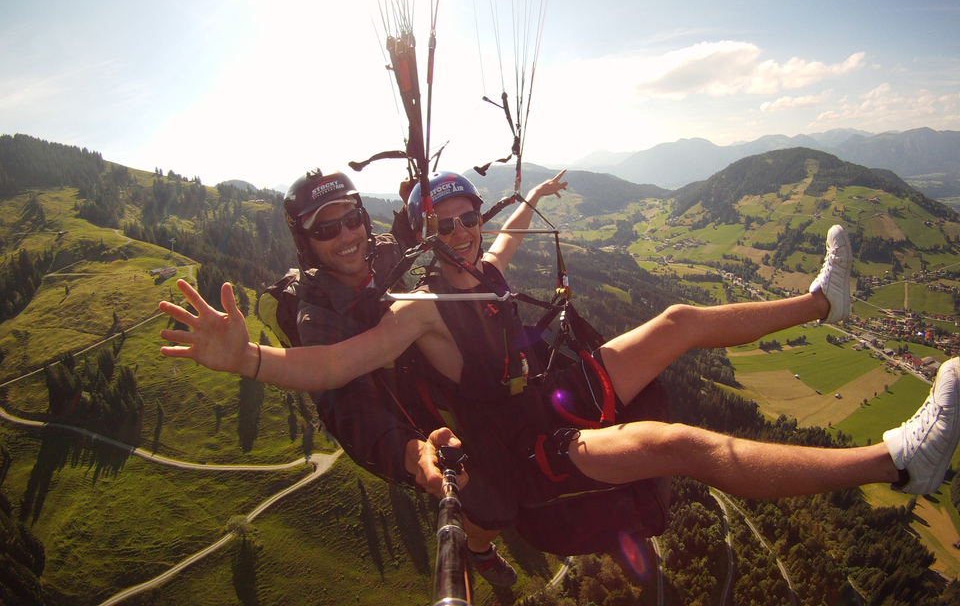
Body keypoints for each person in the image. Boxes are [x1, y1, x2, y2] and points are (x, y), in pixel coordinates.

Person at [160, 171, 960, 543]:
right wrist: (254, 362)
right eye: (445, 226)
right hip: (530, 441)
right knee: (680, 446)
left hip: (558, 383)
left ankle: (826, 303)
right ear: (421, 238)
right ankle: (896, 462)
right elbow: (336, 369)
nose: (465, 231)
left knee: (678, 319)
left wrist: (531, 200)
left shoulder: (479, 263)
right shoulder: (417, 308)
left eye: (469, 215)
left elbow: (503, 242)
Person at [269, 168, 518, 585]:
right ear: (305, 242)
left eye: (351, 220)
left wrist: (411, 205)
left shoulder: (380, 252)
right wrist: (409, 450)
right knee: (493, 505)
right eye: (327, 229)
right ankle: (479, 550)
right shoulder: (317, 319)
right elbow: (348, 410)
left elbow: (401, 238)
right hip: (403, 422)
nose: (347, 236)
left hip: (431, 382)